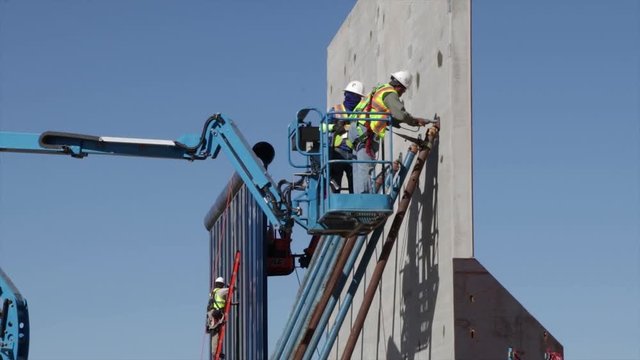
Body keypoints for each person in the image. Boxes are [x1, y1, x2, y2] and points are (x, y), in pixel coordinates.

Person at [348, 70, 433, 193]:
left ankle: (358, 197)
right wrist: (414, 121)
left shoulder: (380, 89)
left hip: (356, 130)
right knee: (365, 167)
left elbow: (382, 114)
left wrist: (397, 122)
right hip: (366, 133)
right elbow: (401, 114)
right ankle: (364, 198)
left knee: (358, 167)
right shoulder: (390, 93)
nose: (402, 94)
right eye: (403, 90)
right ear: (399, 86)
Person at [327, 80, 365, 193]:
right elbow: (321, 127)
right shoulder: (336, 110)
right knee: (336, 183)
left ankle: (355, 208)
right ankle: (335, 207)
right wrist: (334, 127)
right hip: (338, 152)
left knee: (355, 185)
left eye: (355, 96)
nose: (351, 97)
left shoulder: (361, 113)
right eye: (349, 94)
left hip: (354, 152)